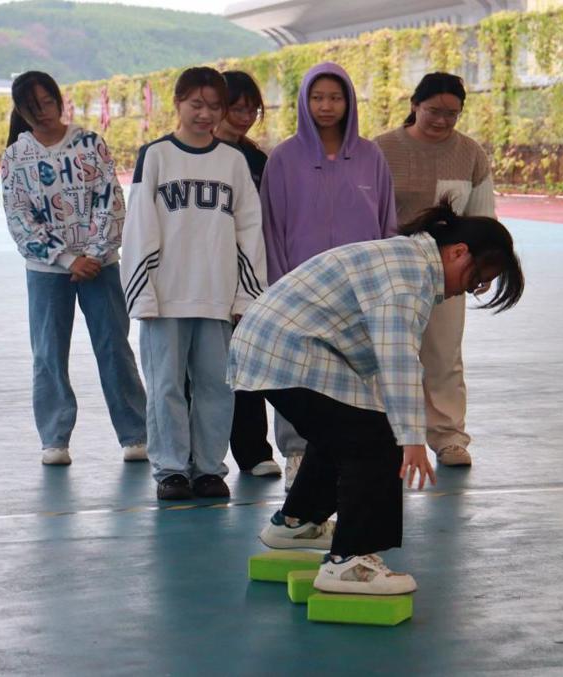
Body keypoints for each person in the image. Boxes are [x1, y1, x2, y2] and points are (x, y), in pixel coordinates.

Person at [230, 201, 524, 594]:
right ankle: (349, 562)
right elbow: (398, 358)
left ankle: (297, 523)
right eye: (474, 281)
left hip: (278, 342)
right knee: (374, 440)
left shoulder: (409, 260)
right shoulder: (409, 276)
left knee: (346, 428)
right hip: (287, 348)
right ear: (458, 252)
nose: (466, 291)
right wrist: (411, 439)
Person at [121, 66, 267, 500]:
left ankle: (207, 469)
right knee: (165, 386)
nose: (205, 114)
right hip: (165, 297)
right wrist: (142, 292)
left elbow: (249, 230)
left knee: (216, 387)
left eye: (214, 106)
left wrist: (247, 296)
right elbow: (139, 226)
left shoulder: (233, 161)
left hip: (217, 296)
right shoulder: (155, 156)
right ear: (178, 103)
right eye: (196, 104)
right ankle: (170, 470)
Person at [259, 61, 396, 490]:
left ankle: (348, 457)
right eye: (317, 97)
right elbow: (271, 227)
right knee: (297, 373)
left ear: (349, 101)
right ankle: (297, 454)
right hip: (300, 289)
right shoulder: (284, 158)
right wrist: (279, 286)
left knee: (358, 374)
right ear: (304, 101)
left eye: (335, 97)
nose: (326, 106)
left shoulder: (371, 156)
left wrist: (384, 283)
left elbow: (387, 223)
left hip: (359, 291)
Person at [1, 71, 147, 466]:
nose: (42, 112)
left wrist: (94, 254)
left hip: (101, 267)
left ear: (59, 100)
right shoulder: (15, 156)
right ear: (20, 111)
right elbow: (19, 218)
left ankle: (135, 434)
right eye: (32, 107)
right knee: (48, 353)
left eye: (47, 102)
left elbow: (110, 200)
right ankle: (54, 439)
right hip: (47, 271)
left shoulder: (90, 143)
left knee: (114, 348)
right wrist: (67, 259)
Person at [374, 72, 494, 467]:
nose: (442, 120)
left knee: (444, 355)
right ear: (414, 105)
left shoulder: (471, 154)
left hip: (448, 274)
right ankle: (384, 435)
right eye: (433, 111)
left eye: (452, 113)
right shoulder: (381, 149)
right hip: (390, 271)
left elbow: (482, 215)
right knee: (386, 353)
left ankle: (448, 436)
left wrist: (482, 266)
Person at [214, 69, 281, 479]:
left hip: (248, 278)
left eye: (252, 109)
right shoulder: (193, 154)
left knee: (247, 365)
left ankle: (254, 452)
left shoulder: (258, 160)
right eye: (236, 108)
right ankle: (201, 455)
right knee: (198, 372)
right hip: (203, 278)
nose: (244, 117)